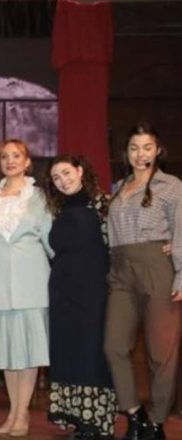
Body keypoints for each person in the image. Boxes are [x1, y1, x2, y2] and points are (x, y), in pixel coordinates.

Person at [104, 122, 182, 440]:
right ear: (126, 152)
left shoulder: (172, 185)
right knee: (113, 345)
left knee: (161, 354)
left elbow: (181, 230)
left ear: (158, 150)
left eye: (147, 147)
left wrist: (181, 274)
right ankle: (134, 414)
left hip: (157, 268)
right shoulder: (117, 187)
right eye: (134, 148)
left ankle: (157, 421)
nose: (140, 154)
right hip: (121, 269)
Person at [0, 139, 52, 437]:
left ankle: (22, 414)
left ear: (27, 161)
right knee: (7, 351)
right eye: (4, 156)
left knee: (29, 350)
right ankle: (12, 411)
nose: (10, 161)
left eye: (16, 155)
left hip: (32, 279)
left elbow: (51, 240)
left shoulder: (41, 197)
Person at [44, 155, 117, 439]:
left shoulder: (103, 204)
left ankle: (97, 421)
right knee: (67, 351)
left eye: (66, 173)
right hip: (62, 292)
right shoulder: (57, 210)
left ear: (80, 170)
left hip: (94, 292)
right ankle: (76, 418)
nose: (63, 180)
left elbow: (118, 247)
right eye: (56, 178)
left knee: (92, 353)